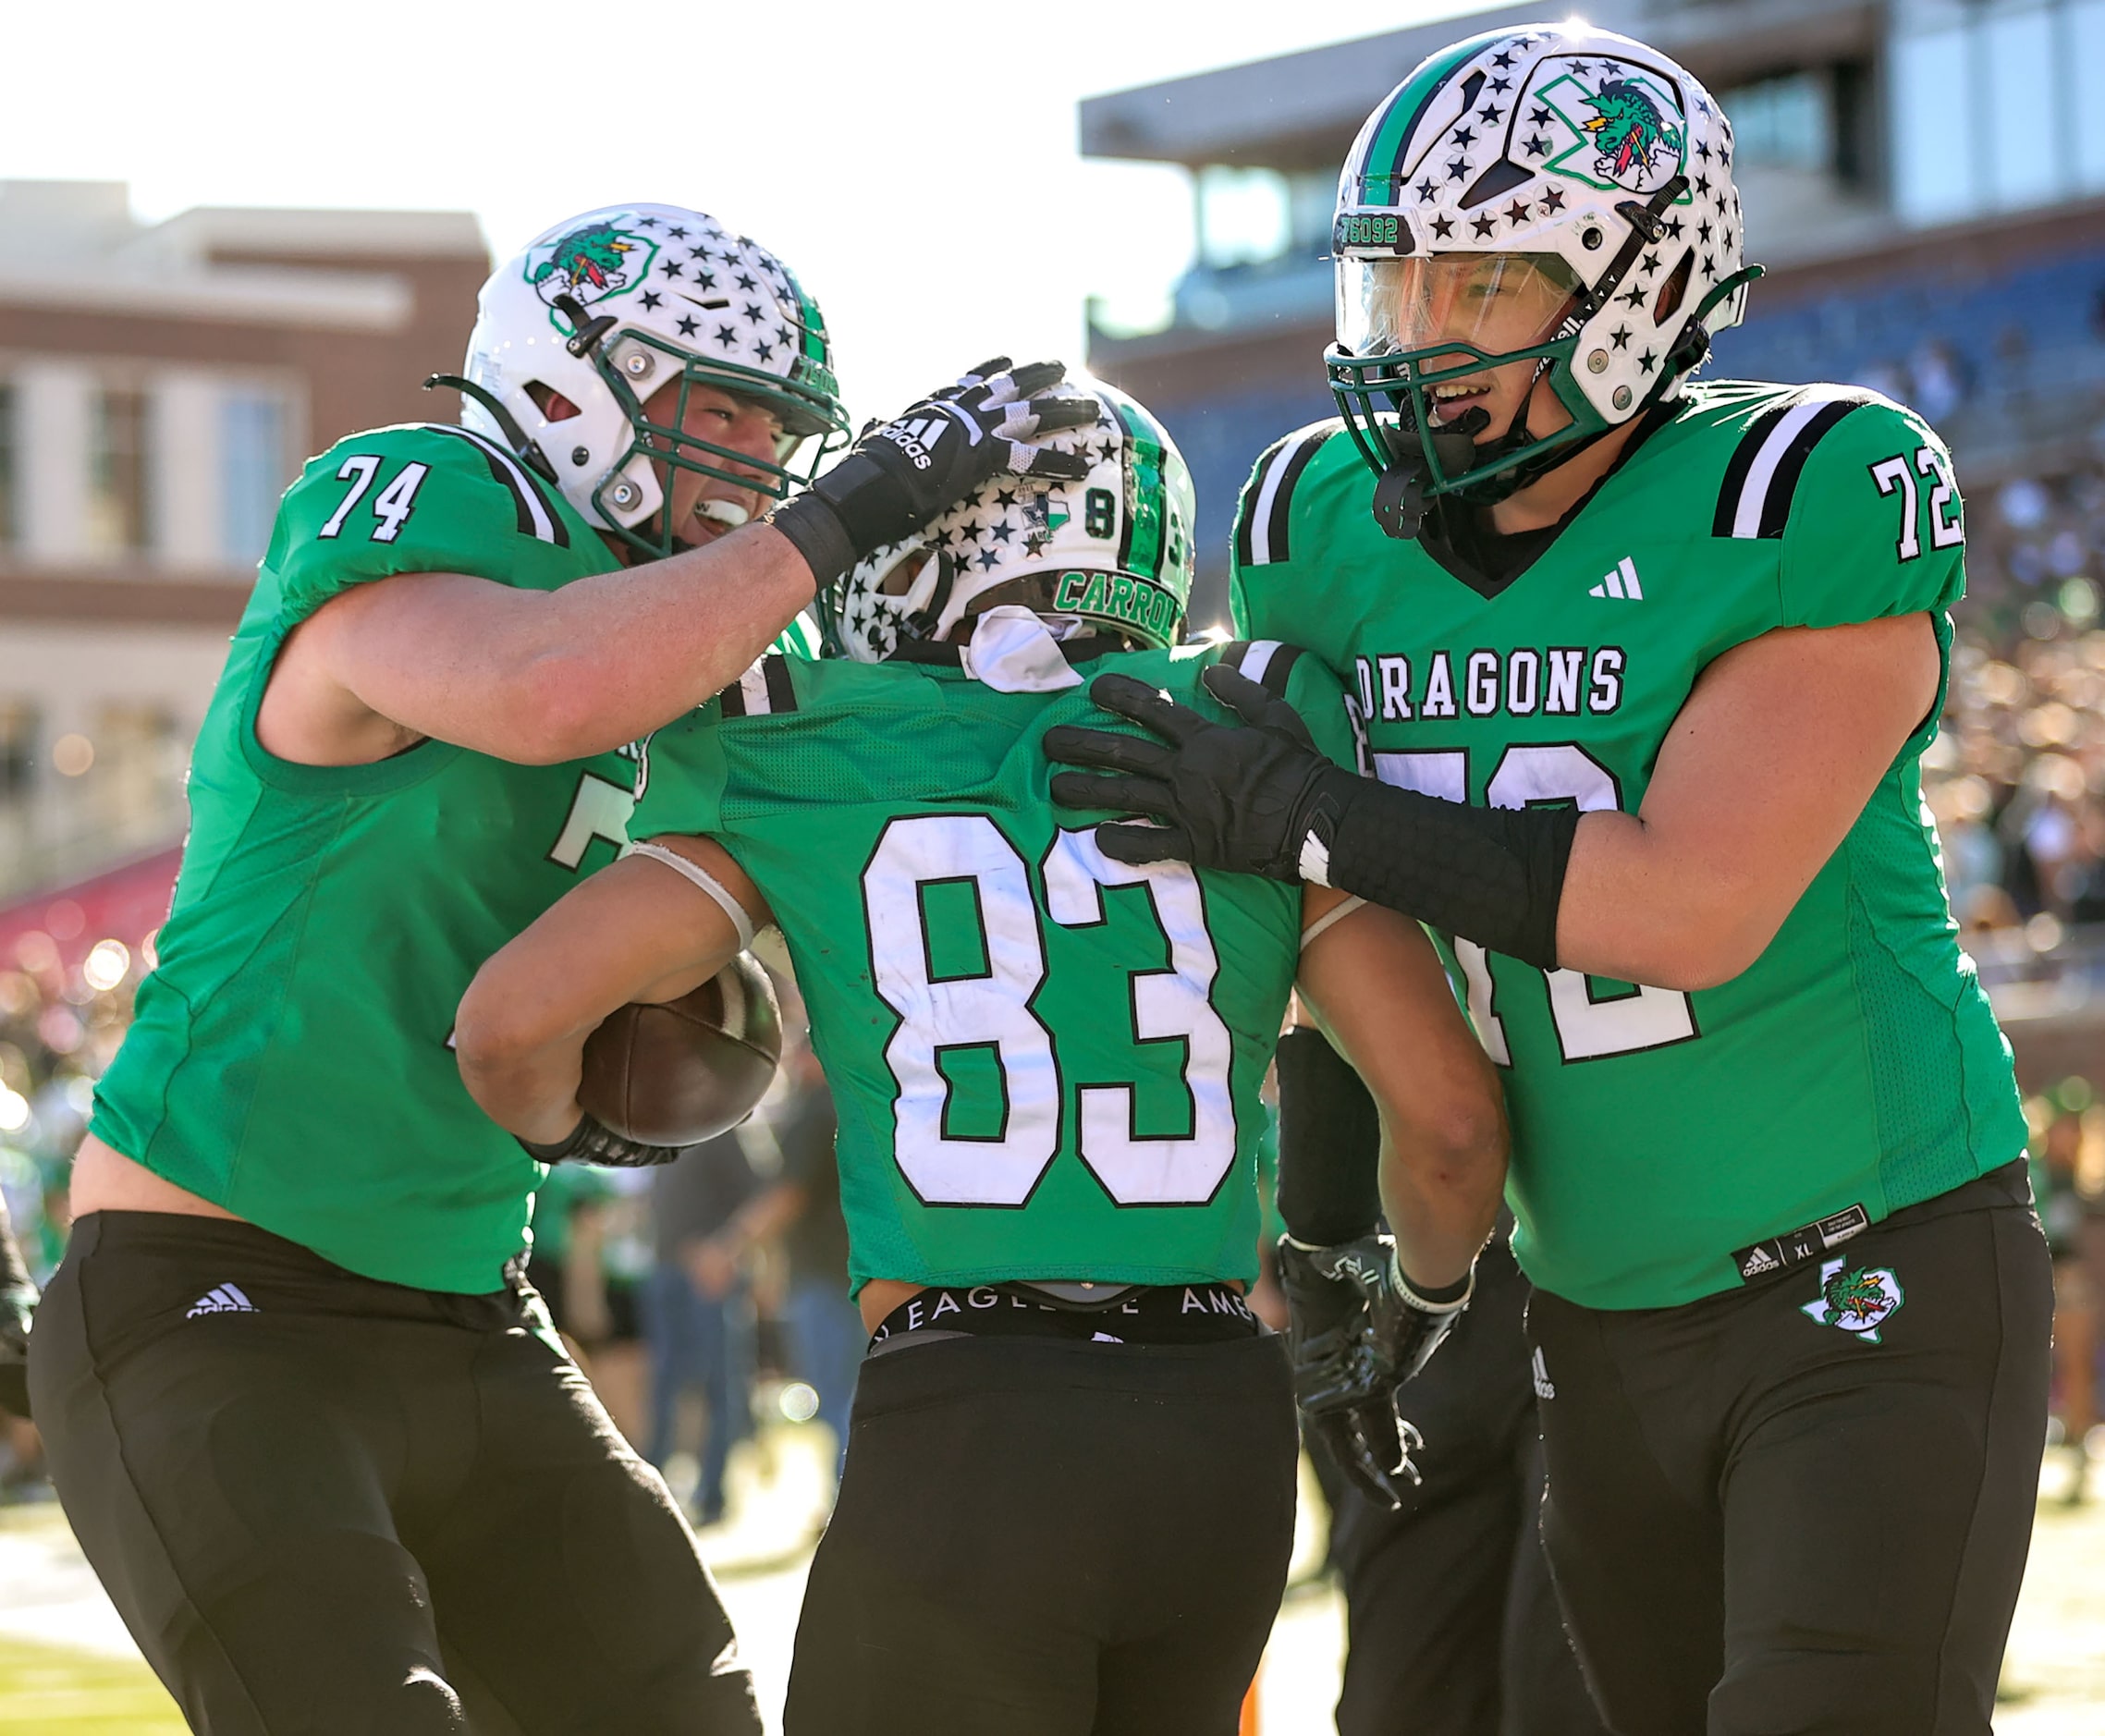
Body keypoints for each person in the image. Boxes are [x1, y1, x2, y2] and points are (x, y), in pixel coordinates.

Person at [1046, 26, 2054, 1735]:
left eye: (1483, 289)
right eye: (1400, 285)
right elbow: (1333, 936)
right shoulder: (1324, 529)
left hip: (1862, 1269)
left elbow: (1685, 906)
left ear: (1639, 291)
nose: (1420, 340)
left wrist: (1304, 806)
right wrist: (1345, 1245)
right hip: (1589, 1315)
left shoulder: (1794, 490)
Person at [28, 197, 1095, 1736]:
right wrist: (843, 514)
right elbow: (544, 685)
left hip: (472, 1307)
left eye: (773, 427)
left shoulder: (710, 664)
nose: (746, 454)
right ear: (562, 381)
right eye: (709, 404)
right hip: (214, 1289)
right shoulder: (423, 494)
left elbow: (922, 822)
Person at [455, 378, 1509, 1736]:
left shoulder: (812, 745)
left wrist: (578, 1127)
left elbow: (508, 1024)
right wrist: (1412, 1300)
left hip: (971, 1413)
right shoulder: (1247, 730)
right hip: (1215, 1424)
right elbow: (1450, 1127)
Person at [697, 1041, 860, 1486]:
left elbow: (786, 1196)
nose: (793, 1062)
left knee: (839, 1396)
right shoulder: (856, 1107)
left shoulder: (817, 1110)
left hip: (827, 1276)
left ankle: (852, 1498)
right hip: (852, 1271)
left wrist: (728, 1247)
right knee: (850, 1393)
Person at [640, 1130, 762, 1523]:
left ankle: (713, 1498)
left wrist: (722, 1251)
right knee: (664, 1384)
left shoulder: (721, 1127)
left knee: (720, 1385)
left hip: (709, 1278)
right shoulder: (658, 1128)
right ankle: (651, 1494)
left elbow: (756, 1197)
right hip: (664, 1272)